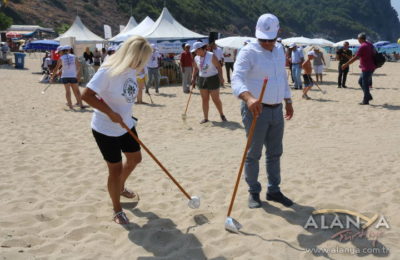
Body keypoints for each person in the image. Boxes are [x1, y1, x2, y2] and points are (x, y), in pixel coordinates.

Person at [81, 36, 152, 225]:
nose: (141, 63)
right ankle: (117, 208)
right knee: (115, 168)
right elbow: (86, 95)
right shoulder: (107, 71)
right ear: (131, 55)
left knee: (135, 158)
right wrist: (110, 113)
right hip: (105, 128)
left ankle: (119, 186)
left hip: (127, 123)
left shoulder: (131, 70)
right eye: (140, 59)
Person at [231, 13, 294, 209]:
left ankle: (274, 190)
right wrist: (249, 98)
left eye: (271, 40)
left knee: (275, 153)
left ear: (277, 35)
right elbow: (236, 78)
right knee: (253, 153)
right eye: (263, 39)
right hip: (256, 110)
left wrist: (288, 99)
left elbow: (282, 77)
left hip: (277, 109)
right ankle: (254, 191)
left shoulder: (279, 50)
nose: (267, 43)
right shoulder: (248, 52)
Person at [191, 42, 227, 124]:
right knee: (204, 99)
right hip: (202, 79)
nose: (195, 52)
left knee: (216, 99)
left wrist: (221, 77)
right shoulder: (196, 57)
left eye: (196, 50)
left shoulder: (211, 55)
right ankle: (206, 118)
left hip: (213, 78)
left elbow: (218, 66)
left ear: (201, 49)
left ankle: (222, 115)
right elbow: (195, 68)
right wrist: (193, 78)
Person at [342, 33, 375, 105]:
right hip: (371, 67)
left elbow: (355, 57)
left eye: (358, 38)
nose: (357, 40)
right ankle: (368, 96)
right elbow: (373, 54)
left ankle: (366, 100)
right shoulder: (370, 44)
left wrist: (346, 64)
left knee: (364, 83)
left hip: (367, 67)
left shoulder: (363, 46)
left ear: (360, 39)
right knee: (361, 82)